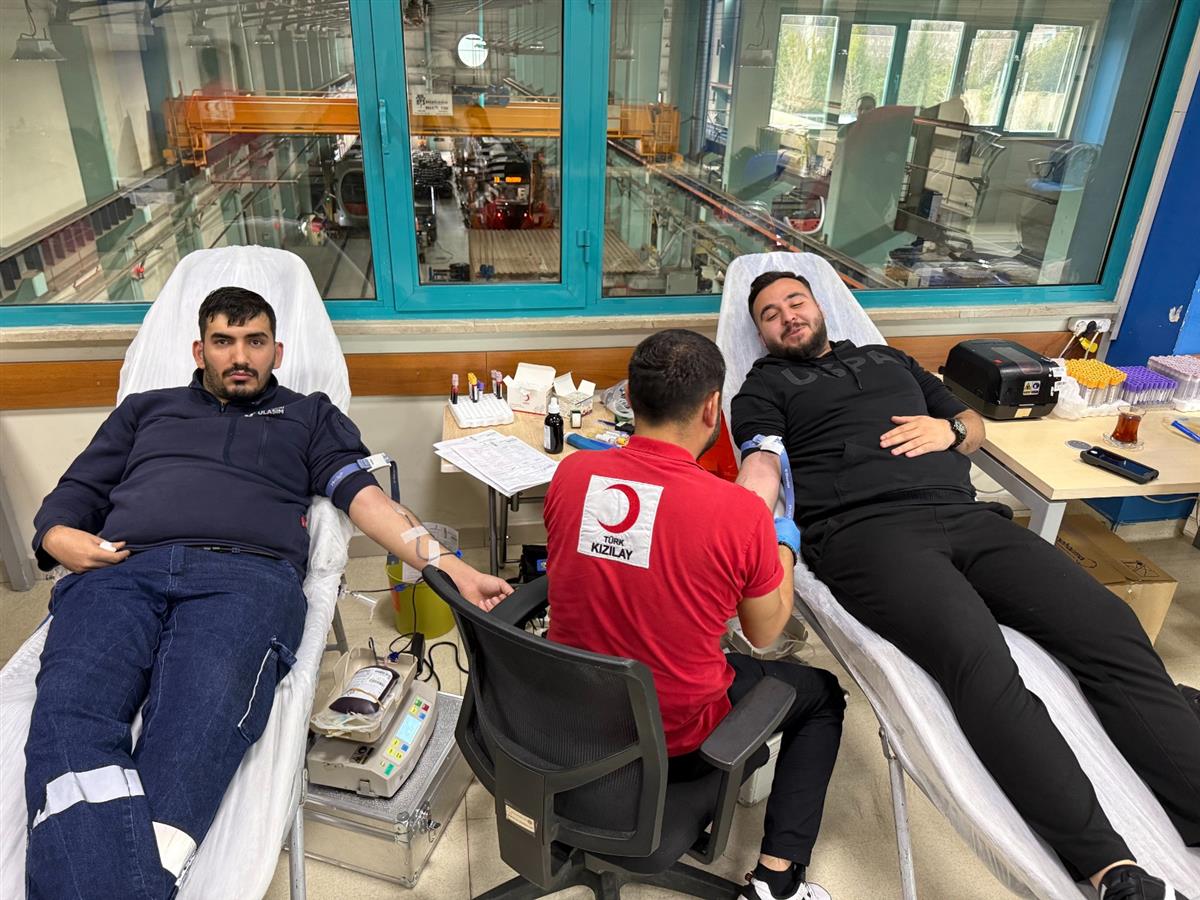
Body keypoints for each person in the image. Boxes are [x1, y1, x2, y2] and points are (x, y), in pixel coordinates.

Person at [24, 286, 512, 899]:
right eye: (223, 342)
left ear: (276, 351)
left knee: (195, 727)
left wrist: (451, 566)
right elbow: (78, 488)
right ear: (199, 350)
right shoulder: (145, 411)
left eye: (255, 342)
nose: (240, 357)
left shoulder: (309, 416)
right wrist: (57, 534)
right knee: (69, 716)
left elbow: (366, 500)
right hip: (120, 569)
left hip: (244, 580)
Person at [731, 270, 1200, 900]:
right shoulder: (763, 386)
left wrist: (949, 431)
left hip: (968, 518)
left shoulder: (890, 359)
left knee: (1111, 625)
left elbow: (973, 426)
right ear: (761, 334)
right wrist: (743, 530)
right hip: (866, 534)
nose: (788, 315)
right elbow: (762, 465)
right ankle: (1109, 864)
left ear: (819, 307)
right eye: (769, 314)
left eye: (796, 301)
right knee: (979, 659)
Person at [544, 329, 845, 900]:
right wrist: (781, 542)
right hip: (675, 748)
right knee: (823, 695)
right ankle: (777, 880)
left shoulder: (573, 474)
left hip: (569, 722)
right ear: (712, 408)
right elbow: (763, 633)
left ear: (630, 399)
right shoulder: (738, 514)